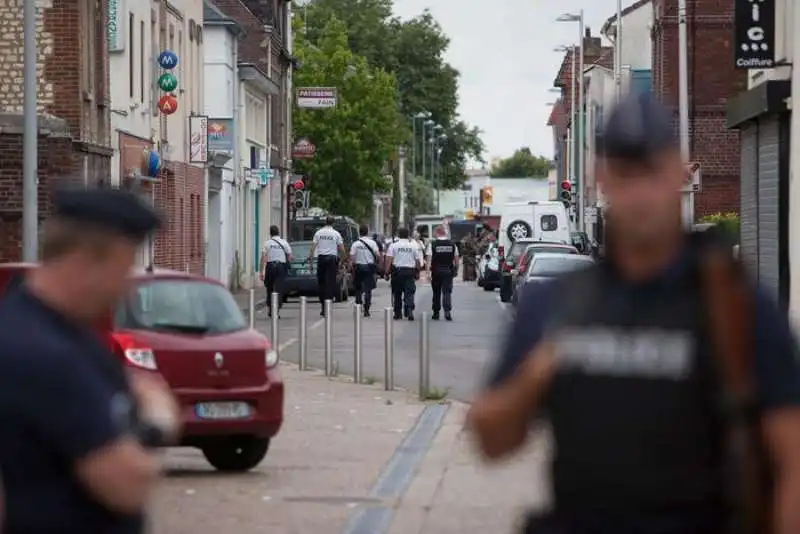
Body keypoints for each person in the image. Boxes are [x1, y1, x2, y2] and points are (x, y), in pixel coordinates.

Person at [468, 92, 800, 534]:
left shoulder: (731, 303)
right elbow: (491, 441)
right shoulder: (560, 303)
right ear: (602, 180)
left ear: (679, 174)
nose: (640, 193)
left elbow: (791, 457)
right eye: (626, 174)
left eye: (652, 172)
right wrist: (540, 371)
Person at [0, 187, 181, 533]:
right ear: (85, 259)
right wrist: (158, 422)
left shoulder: (51, 328)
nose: (126, 288)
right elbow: (126, 485)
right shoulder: (43, 356)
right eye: (123, 268)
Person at [308, 215, 346, 317]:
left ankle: (322, 306)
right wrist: (343, 260)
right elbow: (342, 249)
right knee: (330, 283)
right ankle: (327, 306)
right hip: (332, 260)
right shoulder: (336, 234)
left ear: (325, 222)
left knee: (321, 283)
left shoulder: (318, 233)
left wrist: (310, 261)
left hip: (321, 259)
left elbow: (312, 248)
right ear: (333, 223)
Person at [386, 227, 423, 321]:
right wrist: (417, 271)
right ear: (408, 235)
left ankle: (397, 313)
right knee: (409, 292)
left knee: (397, 293)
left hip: (397, 272)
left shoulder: (393, 245)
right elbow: (417, 261)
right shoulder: (413, 246)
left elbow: (389, 259)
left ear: (398, 235)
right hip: (410, 272)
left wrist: (386, 272)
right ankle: (409, 309)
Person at [426, 225, 458, 321]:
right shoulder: (452, 244)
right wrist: (456, 270)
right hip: (448, 271)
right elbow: (456, 259)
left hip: (436, 271)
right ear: (444, 232)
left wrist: (428, 273)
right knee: (447, 292)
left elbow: (429, 259)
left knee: (436, 292)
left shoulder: (433, 244)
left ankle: (436, 313)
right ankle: (447, 312)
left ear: (437, 232)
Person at [259, 225, 292, 318]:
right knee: (279, 289)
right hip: (281, 267)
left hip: (270, 267)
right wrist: (288, 263)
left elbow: (263, 258)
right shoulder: (284, 243)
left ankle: (270, 308)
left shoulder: (267, 243)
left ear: (270, 233)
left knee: (269, 288)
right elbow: (289, 256)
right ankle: (276, 310)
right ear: (278, 232)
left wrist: (261, 272)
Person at [351, 225, 381, 317]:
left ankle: (358, 304)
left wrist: (352, 266)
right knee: (368, 289)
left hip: (359, 267)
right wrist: (378, 263)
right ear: (367, 232)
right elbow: (378, 255)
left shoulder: (355, 244)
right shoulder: (372, 243)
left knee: (358, 288)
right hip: (369, 267)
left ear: (359, 232)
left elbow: (352, 256)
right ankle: (367, 309)